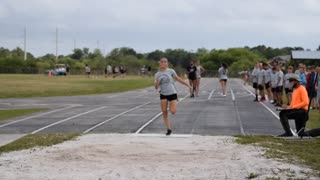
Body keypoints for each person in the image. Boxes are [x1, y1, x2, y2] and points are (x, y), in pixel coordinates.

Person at [154, 57, 192, 136]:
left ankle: (173, 103)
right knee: (164, 113)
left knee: (173, 111)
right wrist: (157, 82)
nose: (164, 63)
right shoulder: (157, 74)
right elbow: (156, 87)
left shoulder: (171, 71)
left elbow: (178, 79)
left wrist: (187, 84)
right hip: (163, 94)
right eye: (162, 62)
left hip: (172, 92)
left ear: (167, 63)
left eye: (165, 62)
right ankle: (169, 129)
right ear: (160, 63)